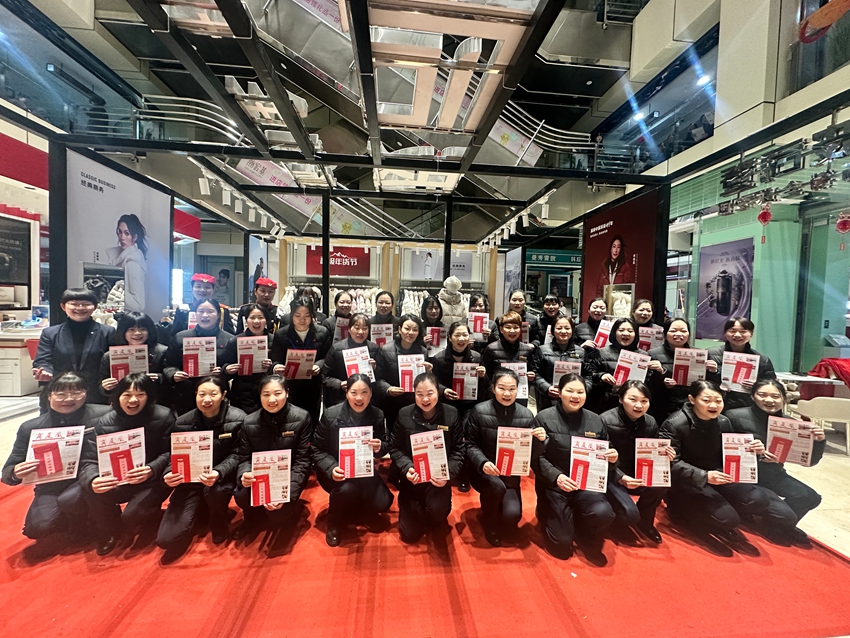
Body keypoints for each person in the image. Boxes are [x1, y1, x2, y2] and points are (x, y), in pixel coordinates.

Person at [660, 380, 797, 549]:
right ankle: (679, 509)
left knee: (758, 500)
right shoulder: (673, 424)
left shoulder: (723, 421)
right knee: (727, 519)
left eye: (718, 401)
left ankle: (723, 508)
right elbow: (670, 463)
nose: (713, 405)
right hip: (689, 480)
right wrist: (705, 476)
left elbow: (732, 454)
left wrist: (755, 452)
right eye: (706, 400)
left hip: (719, 475)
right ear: (692, 399)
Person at [2, 373, 110, 542]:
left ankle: (88, 519)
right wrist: (15, 472)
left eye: (76, 393)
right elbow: (8, 471)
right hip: (51, 486)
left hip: (88, 479)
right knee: (38, 528)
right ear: (49, 395)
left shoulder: (104, 415)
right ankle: (70, 517)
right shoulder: (31, 427)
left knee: (71, 500)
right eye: (61, 394)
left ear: (86, 393)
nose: (69, 399)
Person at [78, 373, 175, 556]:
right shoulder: (105, 422)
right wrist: (93, 479)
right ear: (117, 396)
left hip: (152, 479)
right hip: (117, 478)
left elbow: (171, 452)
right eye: (127, 395)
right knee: (91, 489)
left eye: (140, 395)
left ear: (149, 397)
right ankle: (109, 531)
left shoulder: (164, 416)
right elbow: (89, 459)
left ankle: (149, 517)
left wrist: (152, 469)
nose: (133, 400)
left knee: (132, 515)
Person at [726, 379, 824, 546]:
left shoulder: (792, 424)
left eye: (775, 396)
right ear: (752, 396)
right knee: (785, 515)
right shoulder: (734, 416)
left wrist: (818, 441)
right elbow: (723, 453)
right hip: (745, 476)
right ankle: (771, 519)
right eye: (762, 395)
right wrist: (755, 454)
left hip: (774, 474)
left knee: (810, 497)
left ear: (784, 399)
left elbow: (809, 462)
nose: (769, 400)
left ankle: (779, 525)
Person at [532, 373, 618, 563]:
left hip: (586, 484)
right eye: (570, 391)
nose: (575, 396)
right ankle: (545, 512)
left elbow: (606, 451)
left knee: (603, 513)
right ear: (559, 392)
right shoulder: (543, 417)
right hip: (555, 485)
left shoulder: (596, 420)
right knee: (561, 544)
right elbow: (537, 457)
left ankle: (583, 529)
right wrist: (557, 477)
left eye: (580, 392)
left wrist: (613, 458)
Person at [157, 376, 246, 556]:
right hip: (190, 481)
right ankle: (203, 510)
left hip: (221, 478)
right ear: (195, 394)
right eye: (202, 394)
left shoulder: (238, 418)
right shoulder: (182, 422)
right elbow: (172, 455)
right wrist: (168, 473)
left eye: (213, 394)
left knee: (215, 492)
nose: (207, 399)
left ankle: (219, 522)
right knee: (166, 539)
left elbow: (238, 453)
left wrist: (218, 472)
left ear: (223, 395)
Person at [312, 374, 393, 547]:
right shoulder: (331, 415)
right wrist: (331, 468)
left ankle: (359, 513)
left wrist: (380, 447)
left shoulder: (378, 415)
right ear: (347, 393)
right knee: (347, 489)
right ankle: (334, 522)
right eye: (354, 392)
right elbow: (316, 449)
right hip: (337, 472)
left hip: (363, 470)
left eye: (364, 392)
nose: (359, 398)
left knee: (384, 501)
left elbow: (385, 444)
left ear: (370, 394)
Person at [465, 368, 543, 546]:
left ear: (518, 390)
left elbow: (531, 454)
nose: (507, 394)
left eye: (512, 389)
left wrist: (541, 441)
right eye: (502, 388)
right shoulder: (479, 411)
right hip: (483, 471)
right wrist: (483, 463)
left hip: (510, 473)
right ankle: (488, 521)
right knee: (496, 487)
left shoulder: (526, 415)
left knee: (512, 516)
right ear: (493, 388)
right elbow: (470, 445)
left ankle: (498, 509)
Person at [232, 375, 312, 539]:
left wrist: (288, 491)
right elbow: (244, 457)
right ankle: (252, 518)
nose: (272, 399)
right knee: (241, 495)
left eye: (277, 393)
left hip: (287, 477)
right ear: (260, 396)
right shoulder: (249, 422)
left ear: (287, 393)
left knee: (279, 516)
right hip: (260, 478)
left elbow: (302, 461)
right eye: (266, 394)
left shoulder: (302, 417)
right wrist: (244, 475)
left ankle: (289, 510)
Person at [389, 373, 464, 543]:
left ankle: (432, 510)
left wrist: (448, 475)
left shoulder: (451, 414)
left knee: (437, 516)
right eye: (419, 394)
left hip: (438, 480)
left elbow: (459, 450)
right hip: (413, 478)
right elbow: (395, 447)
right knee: (409, 535)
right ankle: (408, 503)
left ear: (438, 392)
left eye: (430, 393)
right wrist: (407, 467)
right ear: (414, 394)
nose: (425, 399)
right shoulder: (404, 414)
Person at [601, 381, 672, 543]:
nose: (639, 405)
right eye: (633, 399)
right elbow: (600, 459)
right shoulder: (605, 420)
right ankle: (618, 520)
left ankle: (645, 520)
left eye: (644, 401)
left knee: (663, 482)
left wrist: (666, 455)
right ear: (621, 399)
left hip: (639, 473)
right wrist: (621, 477)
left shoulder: (651, 422)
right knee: (629, 514)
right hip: (612, 475)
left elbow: (654, 454)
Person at [33, 288, 115, 402]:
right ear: (63, 306)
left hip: (96, 394)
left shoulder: (108, 332)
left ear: (95, 307)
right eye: (74, 304)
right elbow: (43, 360)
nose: (80, 308)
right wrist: (45, 371)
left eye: (86, 304)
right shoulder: (50, 333)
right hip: (60, 393)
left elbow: (113, 361)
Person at [164, 298, 230, 415]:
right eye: (200, 311)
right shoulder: (180, 337)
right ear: (195, 314)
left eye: (210, 311)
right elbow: (168, 364)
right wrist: (173, 374)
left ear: (218, 315)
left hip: (216, 394)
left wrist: (223, 371)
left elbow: (233, 366)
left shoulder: (229, 339)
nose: (205, 315)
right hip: (186, 393)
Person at [270, 297, 331, 425]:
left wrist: (318, 365)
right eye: (298, 316)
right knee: (290, 421)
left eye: (307, 316)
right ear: (291, 315)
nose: (302, 320)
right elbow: (275, 359)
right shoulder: (281, 334)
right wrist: (277, 367)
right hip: (289, 385)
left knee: (312, 419)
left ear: (312, 315)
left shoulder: (322, 333)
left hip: (312, 385)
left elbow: (327, 357)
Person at [646, 318, 718, 423]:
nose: (679, 334)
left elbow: (710, 383)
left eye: (683, 331)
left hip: (692, 405)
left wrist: (713, 371)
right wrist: (662, 376)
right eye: (673, 330)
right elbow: (648, 385)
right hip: (663, 406)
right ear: (665, 333)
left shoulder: (700, 354)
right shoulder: (652, 354)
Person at [99, 311, 170, 406]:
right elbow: (101, 386)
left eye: (143, 329)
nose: (137, 333)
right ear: (123, 332)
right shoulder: (110, 355)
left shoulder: (163, 351)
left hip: (155, 403)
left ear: (150, 331)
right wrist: (106, 387)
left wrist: (158, 378)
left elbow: (171, 378)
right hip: (124, 405)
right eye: (131, 329)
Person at [375, 313, 432, 432]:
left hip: (414, 401)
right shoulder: (385, 350)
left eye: (415, 330)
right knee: (394, 433)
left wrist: (428, 372)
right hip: (393, 402)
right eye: (407, 328)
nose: (411, 332)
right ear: (400, 329)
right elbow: (378, 378)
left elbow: (426, 381)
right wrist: (388, 389)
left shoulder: (423, 352)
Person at [707, 317, 776, 411]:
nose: (737, 335)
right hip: (715, 405)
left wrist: (757, 386)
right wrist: (714, 372)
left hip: (748, 407)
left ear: (751, 333)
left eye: (743, 331)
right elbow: (700, 382)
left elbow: (771, 385)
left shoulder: (763, 360)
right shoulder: (710, 354)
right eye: (732, 331)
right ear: (725, 333)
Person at [587, 317, 648, 414]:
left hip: (634, 404)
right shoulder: (602, 353)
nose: (626, 333)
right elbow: (588, 374)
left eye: (630, 331)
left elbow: (649, 382)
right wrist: (601, 376)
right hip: (607, 403)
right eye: (621, 330)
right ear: (614, 332)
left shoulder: (643, 356)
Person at [428, 321, 488, 420]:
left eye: (465, 335)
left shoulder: (477, 357)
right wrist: (444, 391)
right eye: (457, 335)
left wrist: (482, 376)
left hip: (469, 406)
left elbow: (485, 385)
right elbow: (434, 382)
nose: (461, 339)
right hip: (447, 404)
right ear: (450, 337)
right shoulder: (438, 358)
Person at [533, 315, 591, 412]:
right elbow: (536, 374)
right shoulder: (542, 350)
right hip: (548, 400)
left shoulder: (581, 352)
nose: (563, 331)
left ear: (572, 330)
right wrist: (547, 388)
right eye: (559, 328)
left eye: (567, 328)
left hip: (574, 400)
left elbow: (588, 375)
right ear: (553, 330)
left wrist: (582, 391)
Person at [222, 304, 273, 414]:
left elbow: (281, 365)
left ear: (266, 320)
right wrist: (227, 370)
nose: (256, 321)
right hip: (242, 395)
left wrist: (272, 366)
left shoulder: (274, 340)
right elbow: (224, 367)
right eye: (252, 317)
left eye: (260, 317)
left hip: (269, 392)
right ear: (246, 321)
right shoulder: (235, 341)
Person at [321, 313, 379, 408]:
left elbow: (381, 379)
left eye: (365, 328)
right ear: (349, 329)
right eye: (357, 328)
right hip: (340, 400)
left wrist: (375, 369)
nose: (361, 332)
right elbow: (325, 377)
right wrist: (340, 384)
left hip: (365, 401)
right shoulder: (336, 349)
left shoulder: (374, 349)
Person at [481, 311, 536, 406]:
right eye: (508, 327)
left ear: (520, 329)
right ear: (501, 329)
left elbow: (532, 371)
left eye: (516, 327)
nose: (512, 331)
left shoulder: (527, 350)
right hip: (496, 397)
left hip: (519, 397)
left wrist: (531, 377)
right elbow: (487, 377)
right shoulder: (491, 349)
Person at [107, 214, 147, 313]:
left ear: (135, 237)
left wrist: (113, 291)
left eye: (127, 233)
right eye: (119, 232)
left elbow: (138, 305)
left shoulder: (132, 263)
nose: (122, 237)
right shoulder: (121, 259)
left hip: (126, 318)